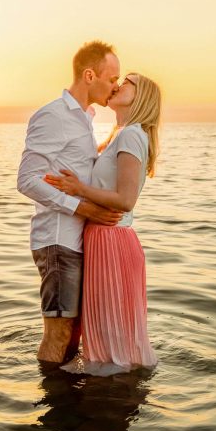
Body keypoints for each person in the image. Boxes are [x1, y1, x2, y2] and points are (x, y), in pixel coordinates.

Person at [44, 72, 161, 376]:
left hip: (112, 240)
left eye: (128, 82)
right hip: (101, 238)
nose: (118, 84)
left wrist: (78, 190)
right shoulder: (118, 134)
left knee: (113, 331)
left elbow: (125, 199)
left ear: (141, 95)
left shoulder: (132, 134)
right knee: (107, 329)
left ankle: (114, 400)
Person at [17, 41, 123, 364]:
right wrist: (82, 208)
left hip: (76, 242)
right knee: (59, 333)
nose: (115, 87)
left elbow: (80, 169)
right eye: (112, 78)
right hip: (57, 241)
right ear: (90, 75)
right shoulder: (54, 116)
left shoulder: (84, 120)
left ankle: (67, 405)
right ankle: (52, 409)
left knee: (74, 333)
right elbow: (27, 180)